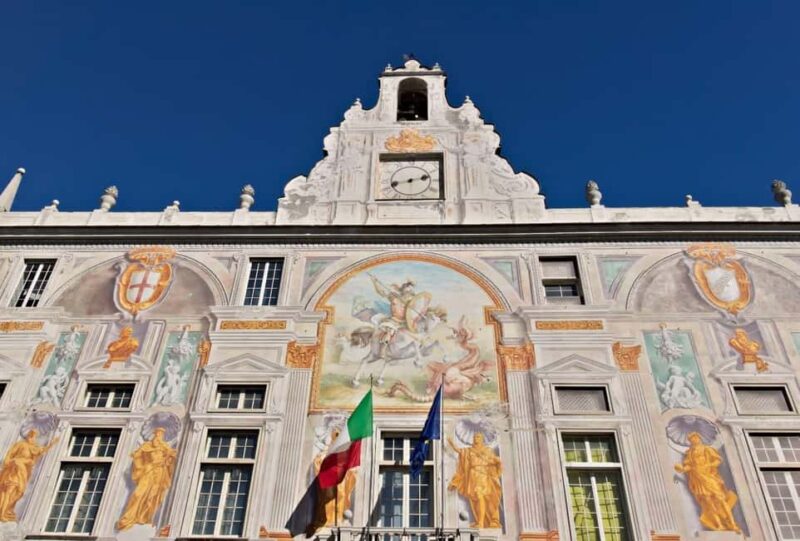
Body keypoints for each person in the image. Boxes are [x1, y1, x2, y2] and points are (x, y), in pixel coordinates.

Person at [674, 432, 741, 532]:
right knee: (709, 504)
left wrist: (709, 465)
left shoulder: (706, 449)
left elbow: (718, 460)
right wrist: (683, 469)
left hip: (709, 477)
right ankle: (719, 525)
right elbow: (690, 466)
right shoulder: (690, 453)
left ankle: (732, 524)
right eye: (691, 439)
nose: (693, 440)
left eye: (695, 438)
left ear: (699, 438)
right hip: (698, 480)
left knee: (721, 501)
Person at [116, 428, 177, 530]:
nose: (158, 436)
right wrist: (139, 462)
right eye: (157, 434)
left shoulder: (165, 447)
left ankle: (144, 517)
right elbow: (137, 456)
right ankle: (130, 517)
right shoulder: (146, 446)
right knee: (138, 494)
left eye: (161, 434)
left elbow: (171, 458)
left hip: (159, 474)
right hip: (148, 472)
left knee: (152, 497)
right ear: (154, 434)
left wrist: (168, 458)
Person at [0, 430, 58, 522]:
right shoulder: (21, 444)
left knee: (20, 492)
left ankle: (7, 510)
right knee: (9, 491)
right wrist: (8, 462)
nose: (32, 438)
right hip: (15, 470)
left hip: (23, 472)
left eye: (34, 436)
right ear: (28, 436)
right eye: (31, 435)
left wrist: (52, 443)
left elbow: (42, 450)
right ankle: (2, 513)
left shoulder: (33, 447)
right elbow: (10, 454)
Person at [448, 432, 503, 528]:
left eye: (477, 437)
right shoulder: (469, 451)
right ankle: (479, 520)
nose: (475, 438)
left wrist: (497, 464)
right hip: (473, 476)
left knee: (479, 495)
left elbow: (495, 461)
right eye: (474, 437)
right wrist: (451, 443)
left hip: (483, 475)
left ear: (482, 439)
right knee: (474, 500)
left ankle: (481, 523)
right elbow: (459, 451)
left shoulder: (488, 450)